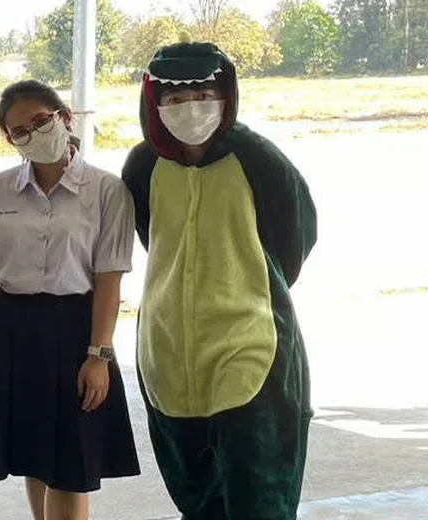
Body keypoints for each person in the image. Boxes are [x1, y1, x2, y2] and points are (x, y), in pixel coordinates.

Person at [122, 41, 318, 520]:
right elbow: (151, 234)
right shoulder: (144, 165)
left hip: (249, 341)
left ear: (226, 94)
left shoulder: (256, 158)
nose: (191, 109)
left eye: (204, 95)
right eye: (175, 100)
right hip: (167, 348)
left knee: (258, 487)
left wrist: (242, 281)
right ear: (155, 103)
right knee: (196, 492)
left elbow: (295, 232)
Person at [0, 80, 141, 520]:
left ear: (65, 117)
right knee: (34, 454)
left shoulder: (106, 191)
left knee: (71, 466)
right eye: (19, 131)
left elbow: (108, 280)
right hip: (11, 330)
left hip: (76, 327)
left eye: (41, 121)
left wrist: (99, 354)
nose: (33, 134)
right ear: (9, 139)